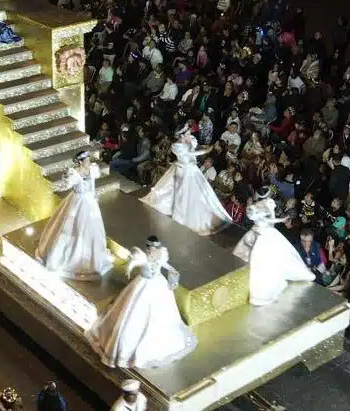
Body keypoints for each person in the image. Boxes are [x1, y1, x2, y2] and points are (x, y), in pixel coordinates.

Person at [87, 236, 196, 368]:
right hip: (142, 287)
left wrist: (172, 271)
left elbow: (165, 265)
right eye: (150, 249)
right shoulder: (143, 258)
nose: (152, 252)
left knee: (159, 316)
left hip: (158, 286)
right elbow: (134, 263)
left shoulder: (161, 256)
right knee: (132, 314)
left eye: (155, 249)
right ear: (147, 249)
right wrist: (129, 269)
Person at [140, 124, 232, 235]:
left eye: (189, 133)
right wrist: (205, 151)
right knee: (182, 193)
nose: (190, 135)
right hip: (183, 171)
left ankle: (193, 212)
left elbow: (194, 147)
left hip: (192, 170)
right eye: (187, 134)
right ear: (181, 136)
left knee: (197, 193)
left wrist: (196, 144)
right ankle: (181, 216)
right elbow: (190, 153)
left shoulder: (188, 140)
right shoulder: (176, 146)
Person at [232, 186, 316, 306]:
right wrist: (281, 220)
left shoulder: (254, 207)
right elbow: (269, 220)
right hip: (264, 233)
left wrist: (280, 220)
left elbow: (264, 220)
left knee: (259, 256)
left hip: (258, 231)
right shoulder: (267, 204)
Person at [36, 150, 112, 280]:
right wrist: (65, 177)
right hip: (77, 202)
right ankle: (65, 257)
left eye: (89, 160)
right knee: (71, 228)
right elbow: (66, 185)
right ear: (80, 162)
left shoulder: (92, 169)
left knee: (92, 229)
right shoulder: (74, 173)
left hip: (90, 203)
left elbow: (93, 182)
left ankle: (92, 258)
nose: (89, 162)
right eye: (87, 160)